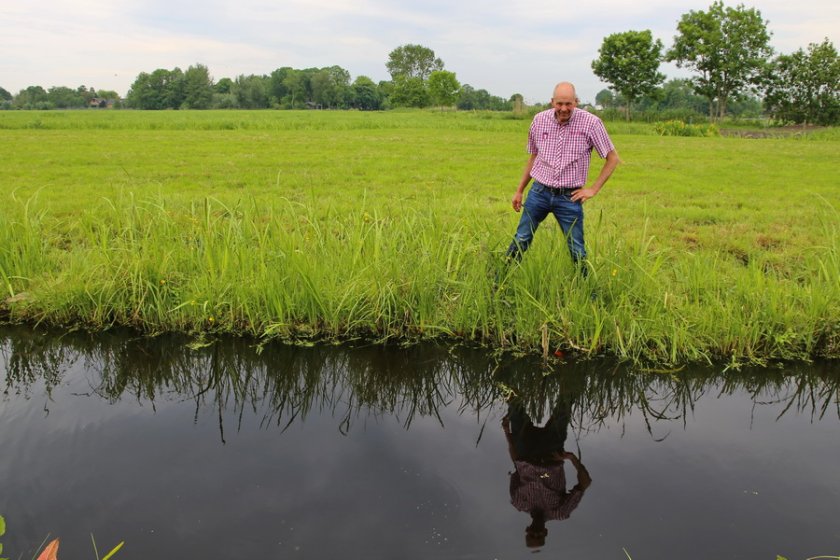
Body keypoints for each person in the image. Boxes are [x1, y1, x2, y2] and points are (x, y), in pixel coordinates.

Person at [506, 82, 620, 272]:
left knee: (577, 249)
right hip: (539, 192)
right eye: (559, 104)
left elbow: (613, 159)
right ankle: (502, 278)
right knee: (521, 238)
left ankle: (585, 291)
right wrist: (519, 191)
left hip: (569, 197)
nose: (564, 109)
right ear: (552, 102)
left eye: (568, 104)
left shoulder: (591, 123)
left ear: (576, 102)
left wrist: (593, 189)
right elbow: (534, 156)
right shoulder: (539, 120)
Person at [502, 395, 591, 549]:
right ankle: (569, 377)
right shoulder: (560, 512)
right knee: (565, 405)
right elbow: (585, 483)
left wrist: (507, 434)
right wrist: (571, 458)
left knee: (513, 404)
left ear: (527, 530)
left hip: (525, 452)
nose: (536, 532)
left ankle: (507, 375)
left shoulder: (518, 502)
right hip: (550, 454)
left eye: (532, 535)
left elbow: (517, 465)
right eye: (539, 535)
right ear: (545, 532)